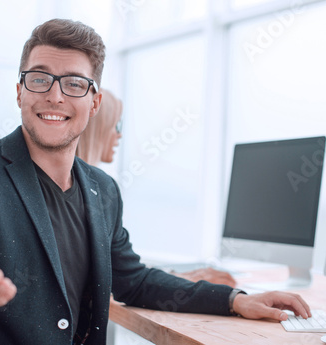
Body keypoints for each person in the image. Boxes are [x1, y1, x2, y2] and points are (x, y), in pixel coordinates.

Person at [0, 19, 311, 344]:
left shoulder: (103, 189)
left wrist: (235, 300)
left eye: (74, 83)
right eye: (40, 78)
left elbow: (135, 281)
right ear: (20, 91)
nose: (55, 96)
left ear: (94, 102)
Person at [76, 88, 237, 288]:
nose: (120, 134)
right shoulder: (83, 196)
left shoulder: (99, 190)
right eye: (116, 124)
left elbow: (121, 274)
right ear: (97, 127)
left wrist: (172, 279)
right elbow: (100, 282)